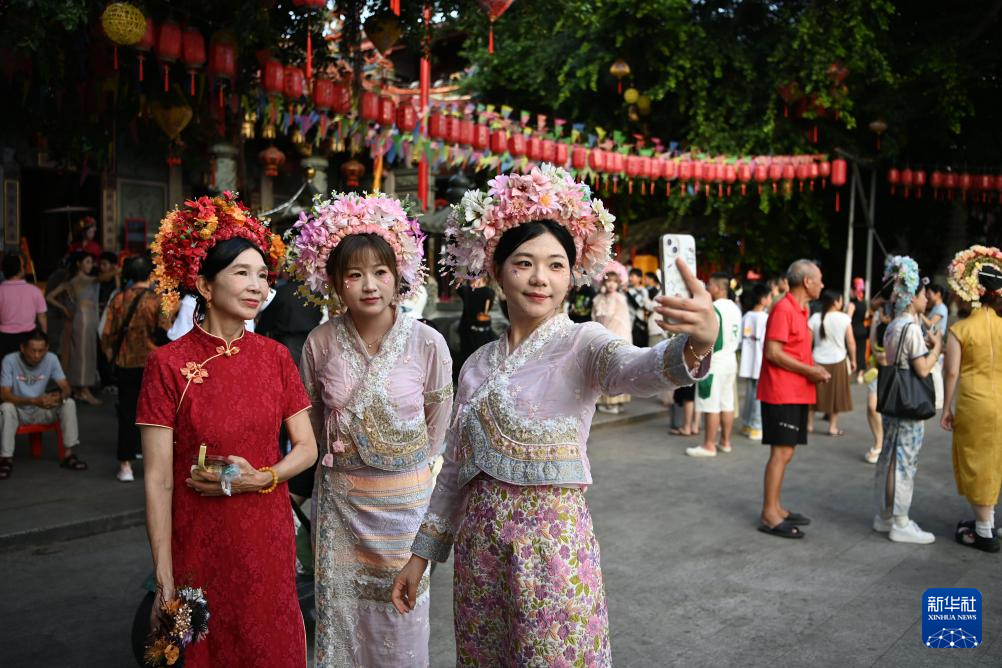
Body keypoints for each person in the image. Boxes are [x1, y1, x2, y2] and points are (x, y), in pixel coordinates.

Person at [391, 165, 717, 664]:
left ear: (571, 275)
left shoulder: (585, 342)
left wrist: (696, 343)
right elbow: (453, 472)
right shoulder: (476, 364)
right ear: (497, 271)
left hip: (552, 552)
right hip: (479, 555)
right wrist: (420, 558)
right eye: (523, 263)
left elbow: (638, 368)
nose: (540, 278)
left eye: (556, 265)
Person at [136, 193, 318, 667]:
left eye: (262, 275)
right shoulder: (167, 365)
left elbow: (306, 447)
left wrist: (263, 477)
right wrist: (164, 576)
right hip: (199, 538)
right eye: (241, 273)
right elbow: (158, 479)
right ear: (204, 284)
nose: (257, 286)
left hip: (267, 533)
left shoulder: (276, 357)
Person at [287, 192, 453, 667]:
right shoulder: (319, 342)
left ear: (398, 276)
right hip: (341, 506)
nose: (369, 286)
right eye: (354, 274)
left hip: (405, 508)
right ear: (334, 282)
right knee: (343, 620)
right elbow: (312, 421)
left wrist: (413, 470)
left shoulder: (427, 342)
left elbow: (438, 421)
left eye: (380, 272)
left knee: (402, 618)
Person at [757, 260, 831, 538]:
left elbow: (794, 351)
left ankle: (776, 507)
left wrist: (812, 369)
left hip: (796, 391)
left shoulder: (801, 310)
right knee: (781, 453)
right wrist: (810, 370)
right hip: (781, 392)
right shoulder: (784, 308)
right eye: (819, 279)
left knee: (786, 452)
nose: (822, 284)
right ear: (807, 281)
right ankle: (769, 514)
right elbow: (773, 352)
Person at [871, 255, 942, 545]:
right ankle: (900, 521)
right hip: (908, 402)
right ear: (911, 297)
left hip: (893, 398)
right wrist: (936, 348)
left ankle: (885, 515)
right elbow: (922, 369)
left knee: (889, 456)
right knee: (905, 461)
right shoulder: (910, 328)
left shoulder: (893, 325)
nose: (926, 299)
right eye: (922, 294)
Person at [941, 248, 1002, 552]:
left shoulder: (960, 329)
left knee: (977, 460)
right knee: (996, 459)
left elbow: (951, 372)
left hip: (974, 402)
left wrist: (945, 408)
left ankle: (983, 529)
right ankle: (988, 522)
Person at [101, 255, 165, 482]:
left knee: (127, 412)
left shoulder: (119, 299)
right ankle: (153, 465)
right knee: (155, 414)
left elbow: (107, 333)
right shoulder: (157, 300)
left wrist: (111, 354)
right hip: (153, 363)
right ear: (150, 274)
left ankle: (126, 466)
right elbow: (165, 331)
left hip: (126, 363)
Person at [0, 329, 86, 479]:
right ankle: (6, 459)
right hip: (19, 412)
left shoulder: (51, 359)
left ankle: (68, 455)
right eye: (33, 350)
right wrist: (33, 401)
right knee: (5, 407)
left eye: (41, 351)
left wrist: (59, 397)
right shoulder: (10, 360)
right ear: (22, 348)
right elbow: (4, 394)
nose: (37, 355)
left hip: (42, 410)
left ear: (47, 349)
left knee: (69, 403)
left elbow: (66, 387)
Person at [44, 252, 118, 405]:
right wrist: (117, 270)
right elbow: (103, 278)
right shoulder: (82, 279)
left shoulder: (73, 281)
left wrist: (65, 309)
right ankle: (84, 390)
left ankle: (78, 389)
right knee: (84, 356)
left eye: (91, 262)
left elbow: (49, 296)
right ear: (79, 264)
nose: (91, 265)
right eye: (88, 262)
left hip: (84, 320)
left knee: (79, 355)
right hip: (84, 321)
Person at [687, 272, 742, 457]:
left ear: (718, 288)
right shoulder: (735, 308)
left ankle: (709, 445)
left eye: (709, 284)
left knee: (710, 404)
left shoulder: (714, 309)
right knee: (727, 403)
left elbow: (710, 339)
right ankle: (725, 442)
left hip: (714, 362)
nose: (707, 287)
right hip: (730, 360)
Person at [807, 289, 856, 436]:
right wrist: (854, 359)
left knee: (812, 394)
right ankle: (832, 427)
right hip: (838, 360)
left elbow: (807, 342)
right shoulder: (844, 318)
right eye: (840, 300)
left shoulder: (815, 318)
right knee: (836, 396)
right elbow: (851, 342)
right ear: (835, 302)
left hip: (817, 360)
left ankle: (809, 425)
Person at [254, 274, 323, 367]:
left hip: (288, 344)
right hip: (312, 344)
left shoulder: (282, 291)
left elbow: (267, 319)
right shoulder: (316, 293)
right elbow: (320, 315)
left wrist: (258, 334)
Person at [592, 262, 632, 414]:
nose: (611, 284)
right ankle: (604, 401)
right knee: (602, 370)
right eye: (608, 281)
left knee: (615, 369)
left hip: (617, 337)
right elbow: (594, 318)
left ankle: (616, 402)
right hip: (601, 337)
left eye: (614, 282)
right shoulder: (598, 299)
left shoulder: (620, 299)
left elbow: (623, 321)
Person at [738, 282, 770, 441]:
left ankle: (747, 424)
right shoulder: (765, 318)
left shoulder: (747, 316)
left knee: (750, 394)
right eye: (769, 296)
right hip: (760, 362)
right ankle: (756, 427)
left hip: (748, 361)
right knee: (759, 396)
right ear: (763, 299)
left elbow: (740, 340)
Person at [0, 253, 47, 358]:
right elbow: (42, 317)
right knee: (27, 366)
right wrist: (44, 337)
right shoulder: (35, 290)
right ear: (21, 269)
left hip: (4, 338)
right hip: (29, 338)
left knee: (6, 366)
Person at [863, 295, 890, 464]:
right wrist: (878, 353)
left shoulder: (906, 313)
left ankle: (885, 444)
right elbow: (872, 339)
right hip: (877, 366)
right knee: (872, 406)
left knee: (889, 409)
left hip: (895, 367)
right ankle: (879, 443)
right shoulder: (879, 314)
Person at [456, 276, 497, 378]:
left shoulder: (465, 290)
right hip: (482, 327)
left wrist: (463, 278)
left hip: (466, 327)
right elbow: (488, 308)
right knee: (483, 355)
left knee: (466, 355)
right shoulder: (489, 292)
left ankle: (466, 377)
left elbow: (458, 286)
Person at [922, 283, 949, 409]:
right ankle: (936, 399)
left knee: (936, 370)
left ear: (938, 294)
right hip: (932, 342)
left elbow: (932, 326)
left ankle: (939, 400)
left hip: (935, 342)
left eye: (929, 293)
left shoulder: (941, 308)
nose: (927, 296)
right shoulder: (936, 307)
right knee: (933, 370)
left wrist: (920, 314)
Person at [625, 267, 651, 346]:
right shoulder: (626, 289)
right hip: (627, 321)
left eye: (632, 276)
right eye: (629, 276)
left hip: (638, 323)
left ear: (639, 278)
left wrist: (628, 293)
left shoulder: (643, 290)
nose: (630, 278)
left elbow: (640, 304)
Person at [849, 277, 868, 382]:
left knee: (853, 351)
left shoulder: (852, 304)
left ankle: (852, 371)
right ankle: (860, 375)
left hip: (853, 330)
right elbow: (865, 316)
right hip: (862, 330)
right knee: (862, 351)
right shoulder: (864, 304)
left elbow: (848, 319)